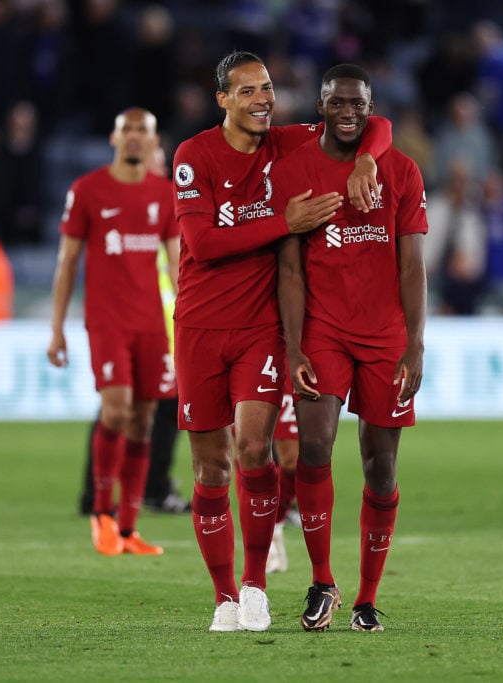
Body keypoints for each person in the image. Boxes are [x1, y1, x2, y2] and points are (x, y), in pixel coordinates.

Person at [172, 50, 391, 633]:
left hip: (261, 328)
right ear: (222, 100)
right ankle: (222, 596)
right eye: (247, 91)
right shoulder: (193, 156)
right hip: (198, 326)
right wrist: (284, 224)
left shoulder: (289, 143)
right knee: (210, 467)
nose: (262, 99)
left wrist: (367, 159)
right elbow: (203, 243)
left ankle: (254, 585)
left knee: (253, 449)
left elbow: (372, 122)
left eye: (267, 87)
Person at [273, 64, 428, 632]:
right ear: (320, 105)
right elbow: (288, 271)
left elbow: (412, 265)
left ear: (370, 108)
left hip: (385, 335)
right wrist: (294, 347)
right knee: (313, 446)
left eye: (357, 104)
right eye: (336, 102)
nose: (347, 112)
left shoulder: (401, 170)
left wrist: (415, 344)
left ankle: (366, 598)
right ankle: (322, 582)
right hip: (323, 330)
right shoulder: (293, 170)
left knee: (380, 467)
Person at [47, 107, 178, 556]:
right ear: (114, 138)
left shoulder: (165, 194)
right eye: (129, 131)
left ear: (155, 142)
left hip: (152, 325)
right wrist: (56, 328)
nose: (136, 138)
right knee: (117, 410)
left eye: (145, 131)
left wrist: (192, 318)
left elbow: (179, 267)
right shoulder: (87, 190)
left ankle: (127, 528)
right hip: (107, 321)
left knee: (144, 420)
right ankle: (102, 513)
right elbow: (67, 262)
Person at [266, 373, 299, 574]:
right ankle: (259, 537)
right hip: (257, 361)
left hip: (296, 364)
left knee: (294, 462)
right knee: (249, 452)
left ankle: (274, 526)